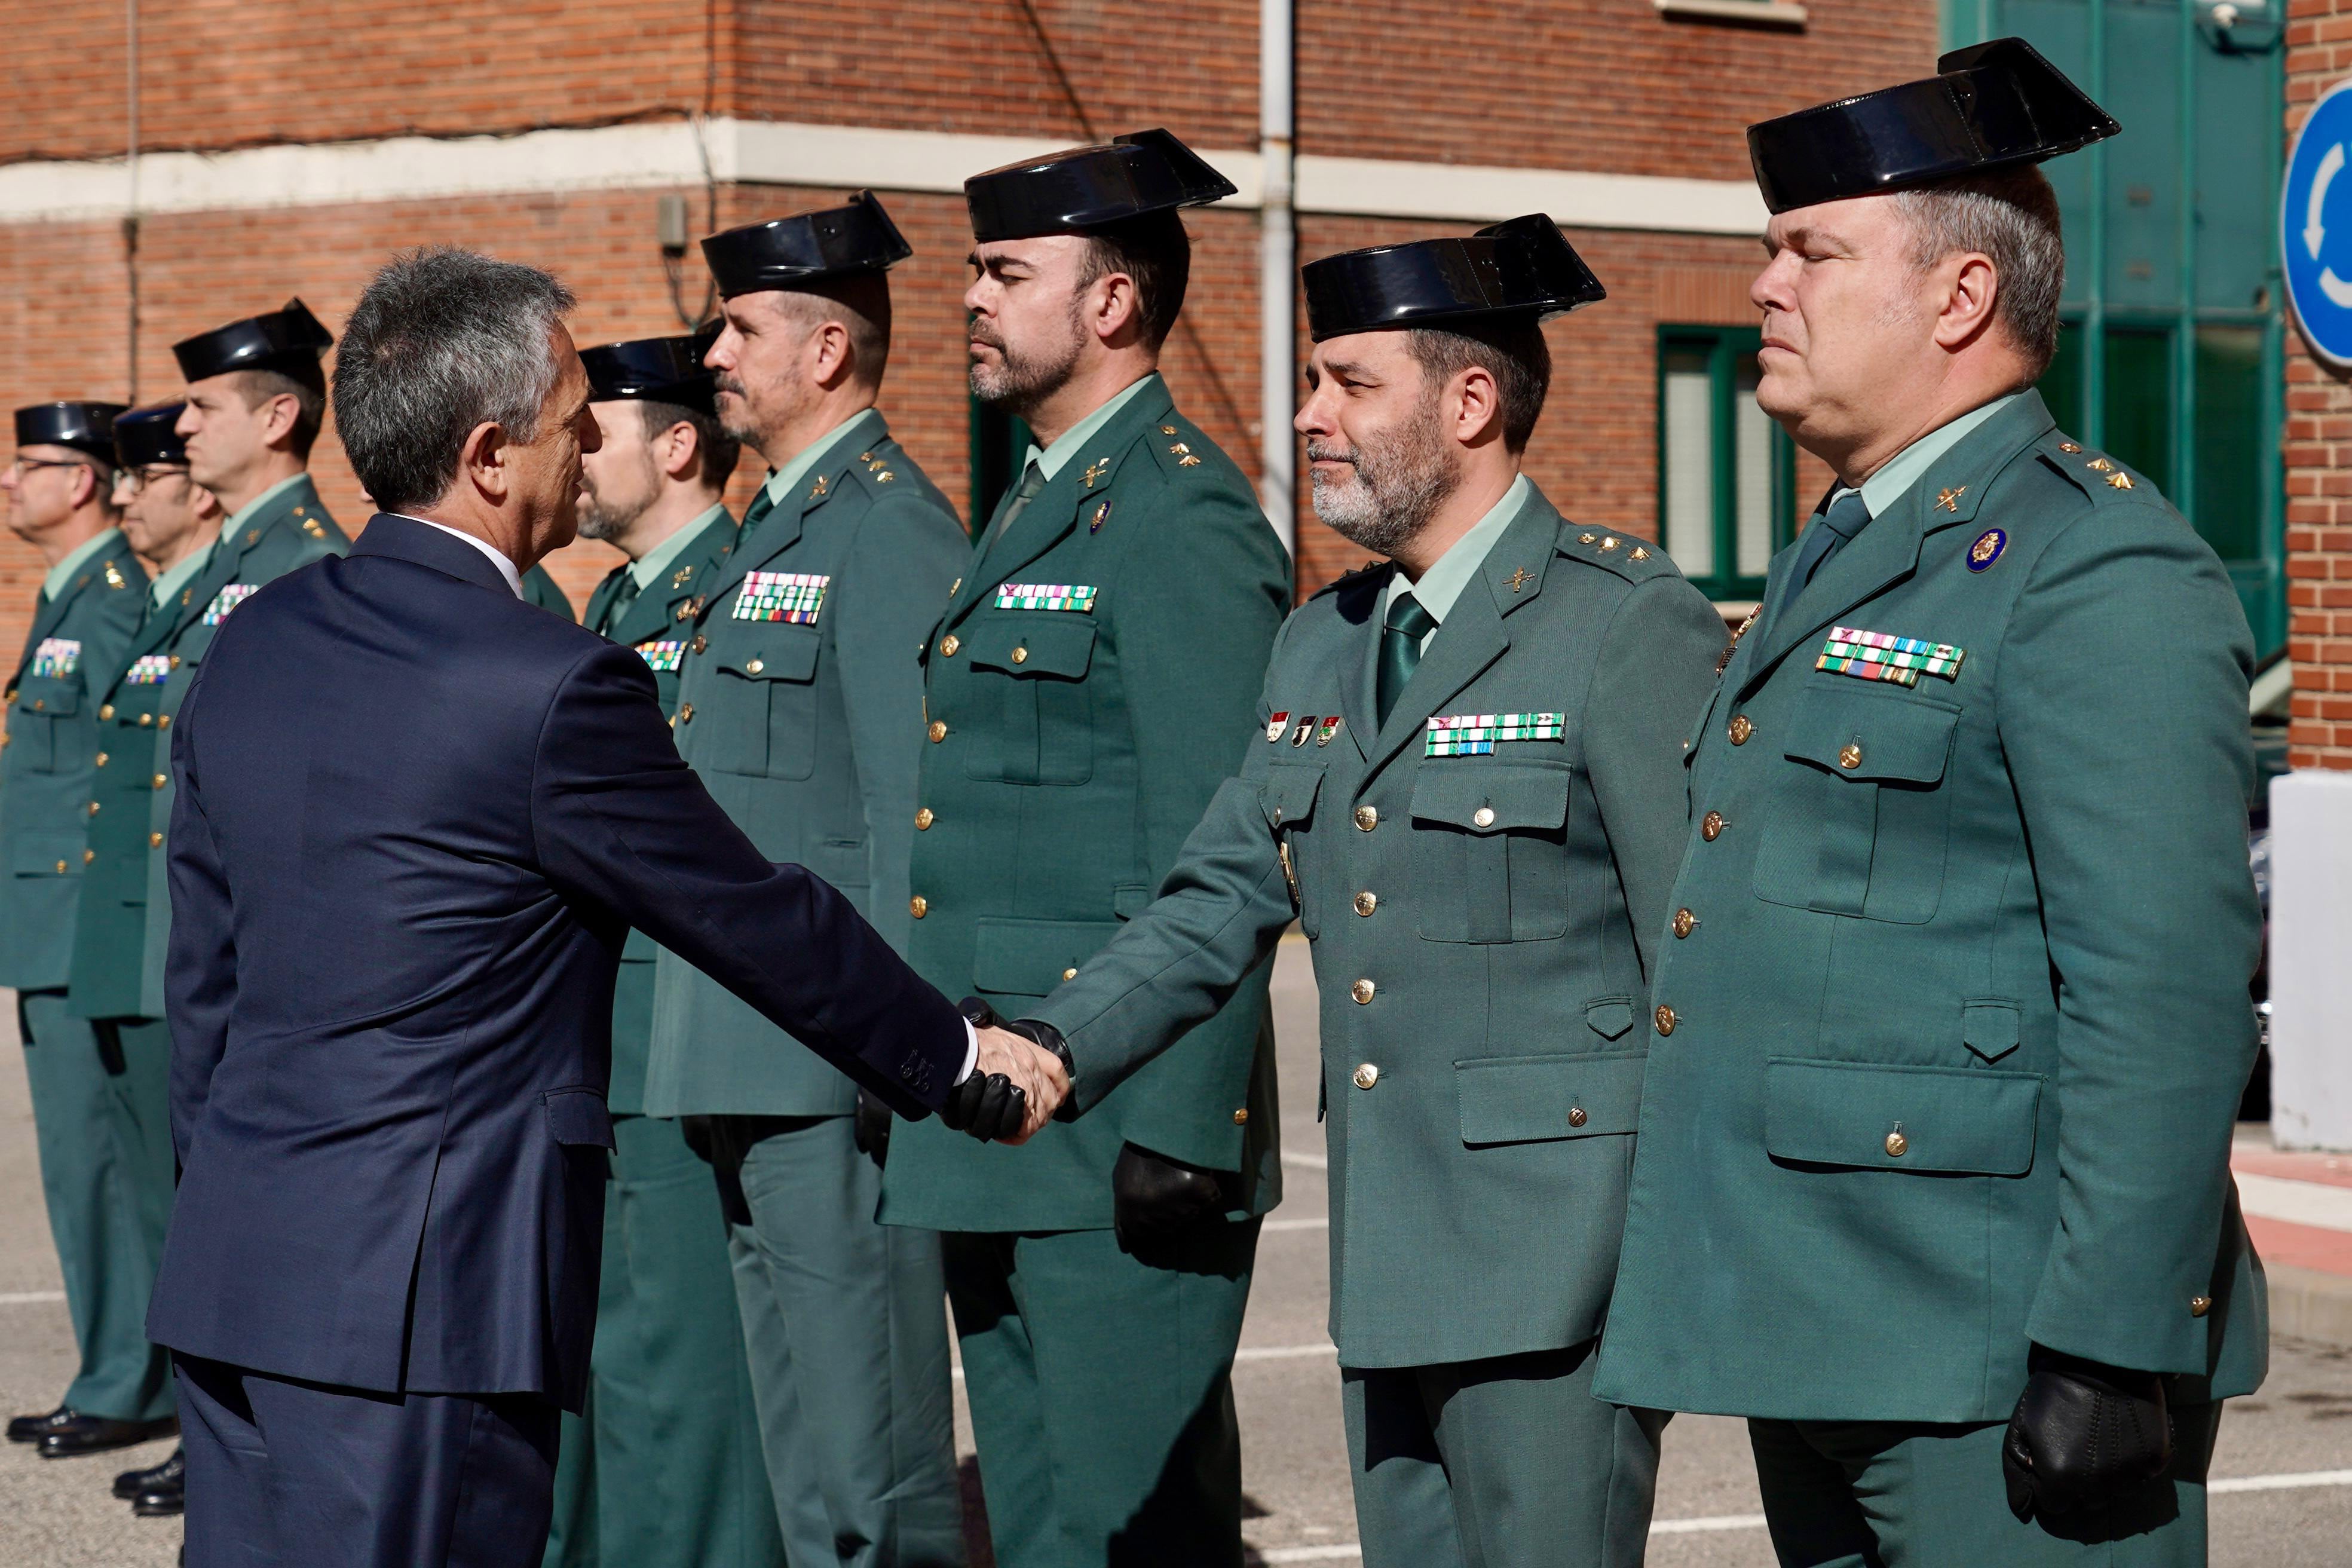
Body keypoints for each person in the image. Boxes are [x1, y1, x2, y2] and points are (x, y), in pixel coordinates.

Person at [146, 247, 1065, 1568]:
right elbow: (747, 910)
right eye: (571, 424)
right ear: (489, 453)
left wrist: (235, 1208)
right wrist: (961, 1058)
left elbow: (206, 995)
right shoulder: (550, 684)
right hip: (428, 1309)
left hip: (242, 1276)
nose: (588, 451)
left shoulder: (255, 643)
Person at [1589, 40, 2268, 1566]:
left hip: (1996, 1359)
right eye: (1772, 249)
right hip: (1823, 1329)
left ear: (1959, 299)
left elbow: (2159, 993)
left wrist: (2105, 1345)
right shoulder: (1837, 553)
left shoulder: (2095, 566)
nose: (1767, 284)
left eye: (1812, 252)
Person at [998, 217, 1722, 1567]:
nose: (1307, 415)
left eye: (1347, 382)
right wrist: (1053, 1041)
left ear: (1470, 402)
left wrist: (1701, 1259)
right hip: (1390, 1258)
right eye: (1312, 381)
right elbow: (1218, 888)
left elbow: (1701, 944)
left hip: (1559, 1271)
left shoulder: (1619, 620)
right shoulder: (1325, 643)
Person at [879, 129, 1292, 1568]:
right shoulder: (1044, 496)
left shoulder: (1178, 515)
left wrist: (1186, 1129)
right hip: (996, 1118)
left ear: (1110, 303)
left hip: (1117, 1135)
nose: (972, 299)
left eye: (1006, 272)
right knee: (1050, 1530)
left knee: (1141, 1535)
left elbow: (1222, 856)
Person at [639, 193, 970, 1568]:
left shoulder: (886, 532)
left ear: (827, 350)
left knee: (870, 1449)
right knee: (799, 1445)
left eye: (740, 328)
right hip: (729, 1044)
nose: (713, 353)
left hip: (826, 1063)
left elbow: (916, 817)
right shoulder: (770, 534)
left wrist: (902, 1053)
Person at [540, 330, 780, 1568]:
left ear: (679, 445)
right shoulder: (615, 603)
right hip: (611, 1039)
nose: (574, 454)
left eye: (599, 429)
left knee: (695, 1367)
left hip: (692, 1029)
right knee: (622, 1352)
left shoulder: (736, 585)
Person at [0, 401, 166, 1467]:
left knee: (103, 1165)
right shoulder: (68, 597)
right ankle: (112, 1366)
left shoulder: (107, 602)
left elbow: (127, 774)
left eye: (30, 466)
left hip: (80, 922)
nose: (9, 483)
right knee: (77, 1166)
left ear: (84, 483)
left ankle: (127, 1377)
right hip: (47, 921)